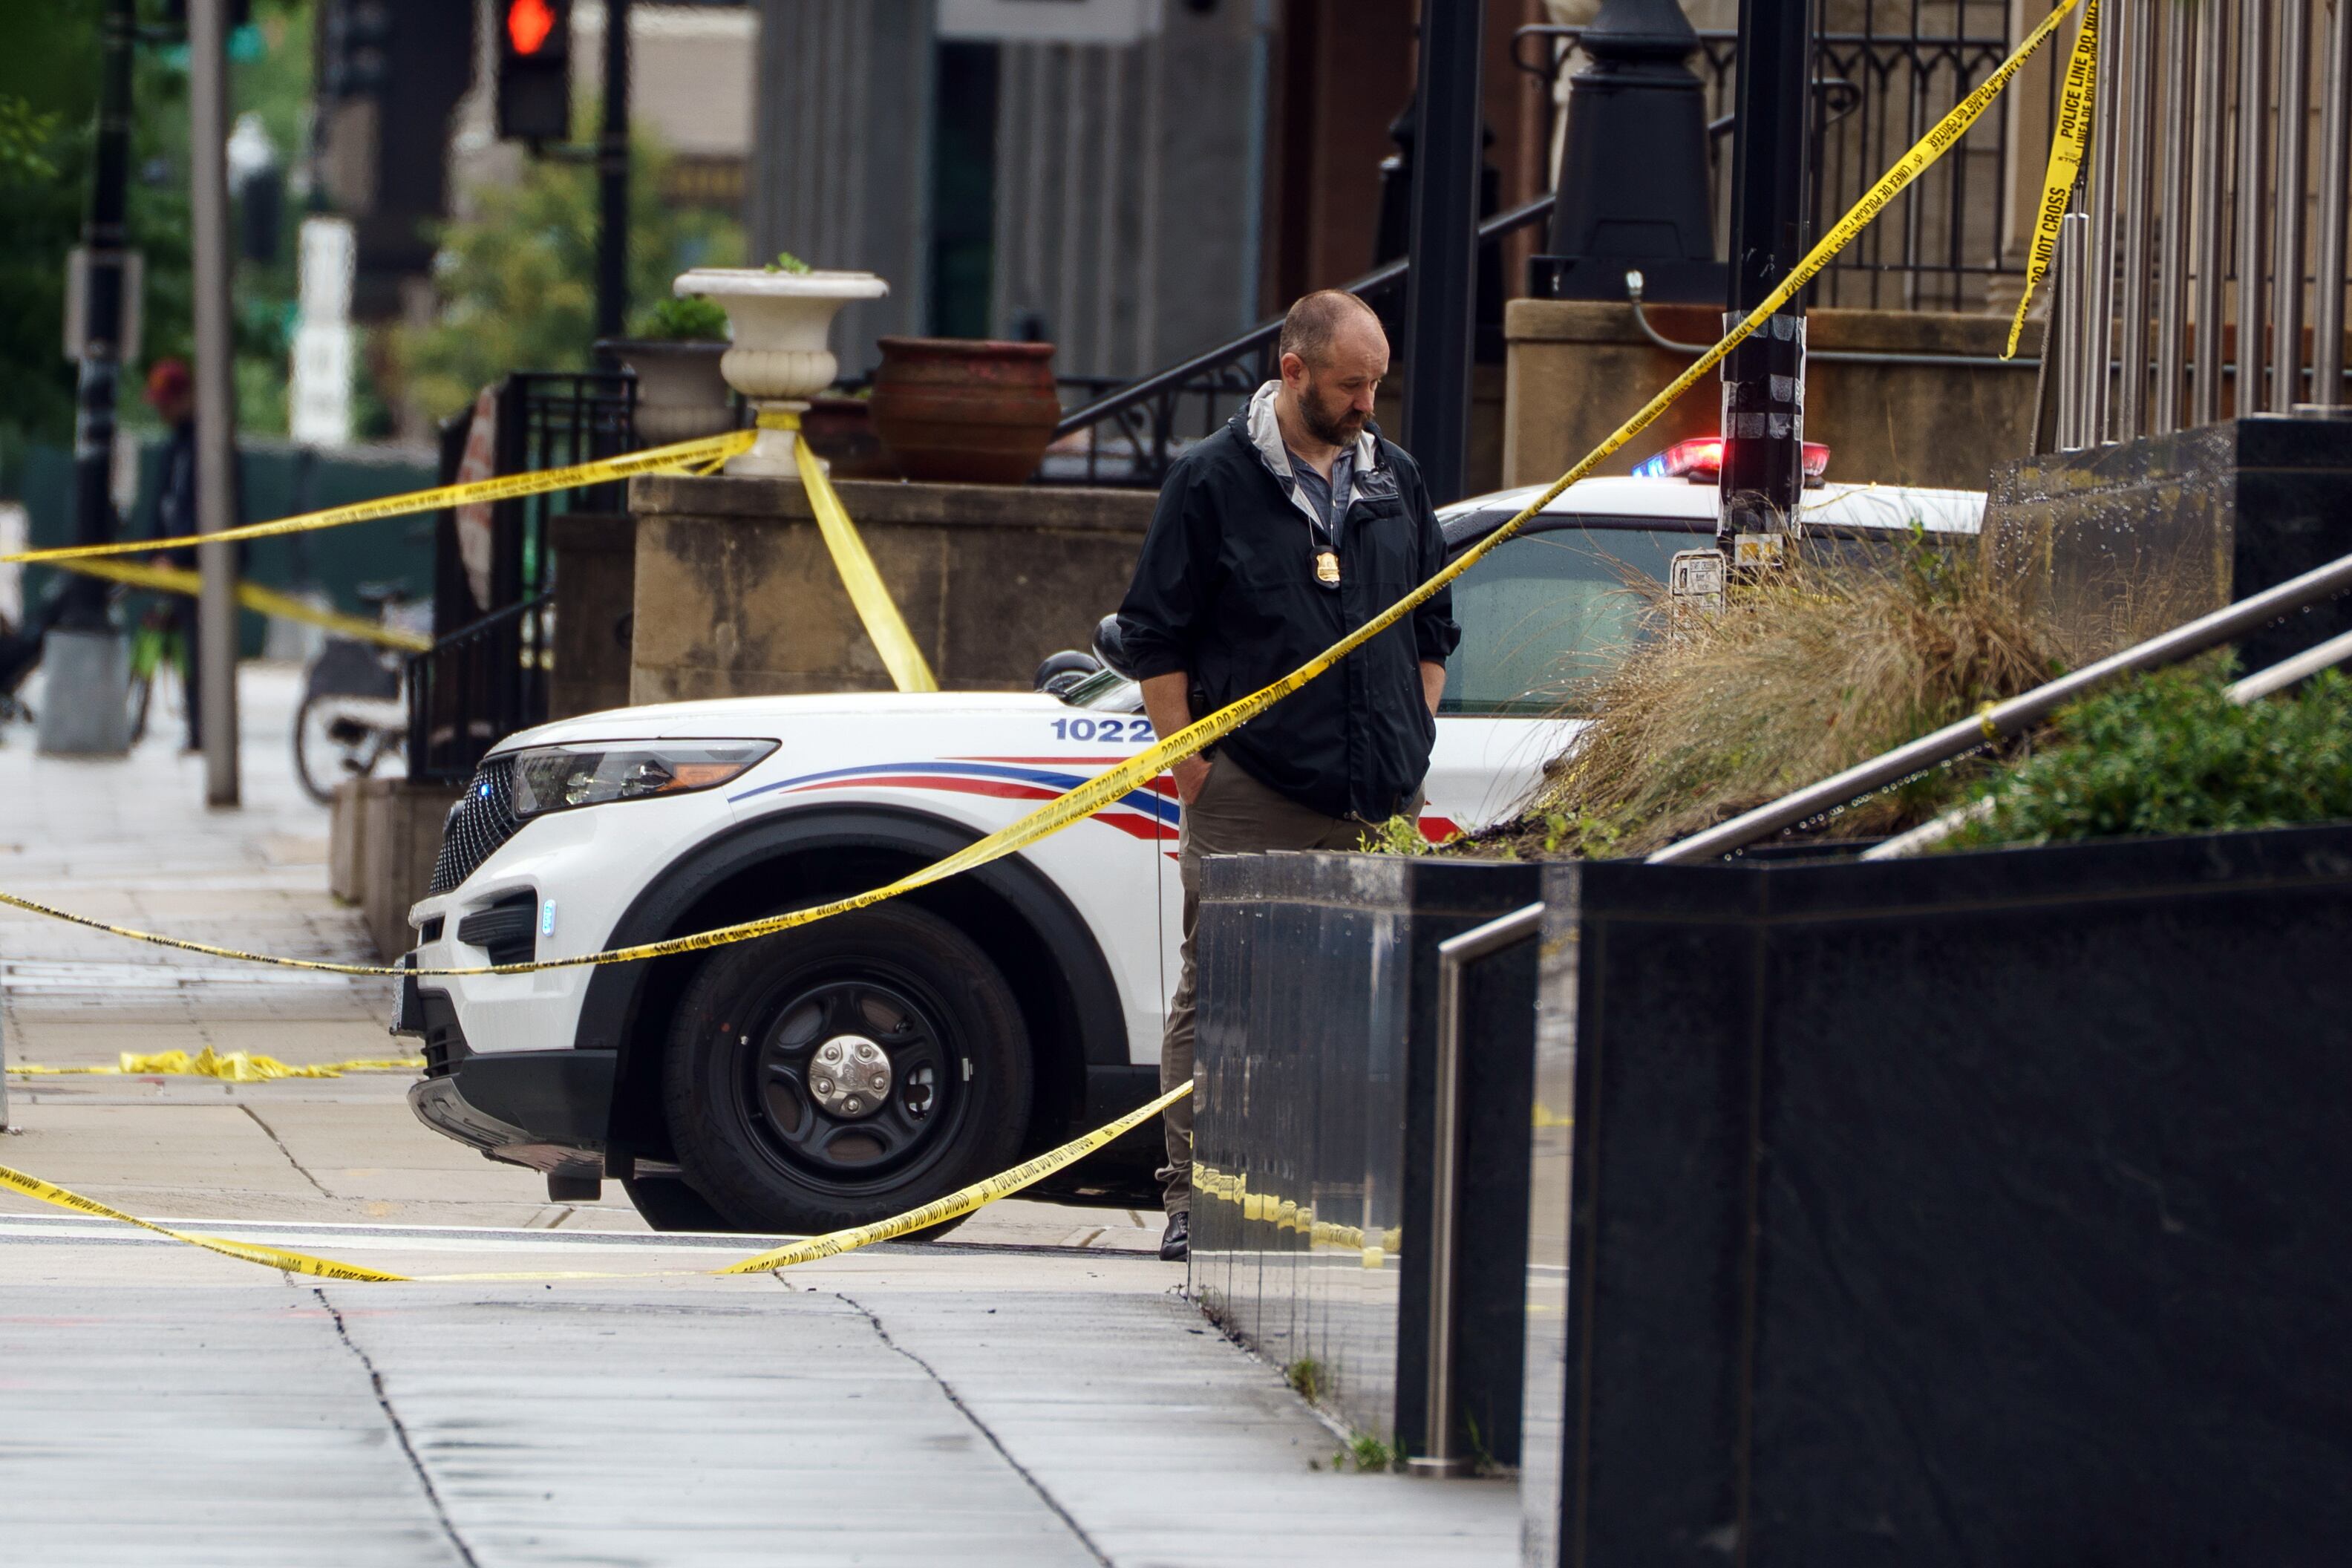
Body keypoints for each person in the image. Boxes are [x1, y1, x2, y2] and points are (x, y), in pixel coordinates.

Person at [1116, 290, 1459, 1262]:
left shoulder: (1396, 480)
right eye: (1352, 386)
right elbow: (1155, 640)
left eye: (1377, 385)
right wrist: (1196, 771)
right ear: (1296, 370)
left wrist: (1414, 733)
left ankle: (1334, 1198)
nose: (1366, 405)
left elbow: (1434, 626)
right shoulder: (1210, 483)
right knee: (1222, 993)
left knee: (1365, 1001)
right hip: (1255, 788)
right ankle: (1195, 1198)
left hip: (1378, 791)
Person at [144, 358, 206, 751]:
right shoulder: (176, 447)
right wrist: (153, 552)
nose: (163, 412)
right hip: (171, 563)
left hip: (197, 567)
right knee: (185, 651)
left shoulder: (207, 444)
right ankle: (194, 727)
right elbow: (164, 505)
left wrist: (177, 556)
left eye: (169, 403)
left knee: (199, 654)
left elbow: (203, 511)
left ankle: (202, 730)